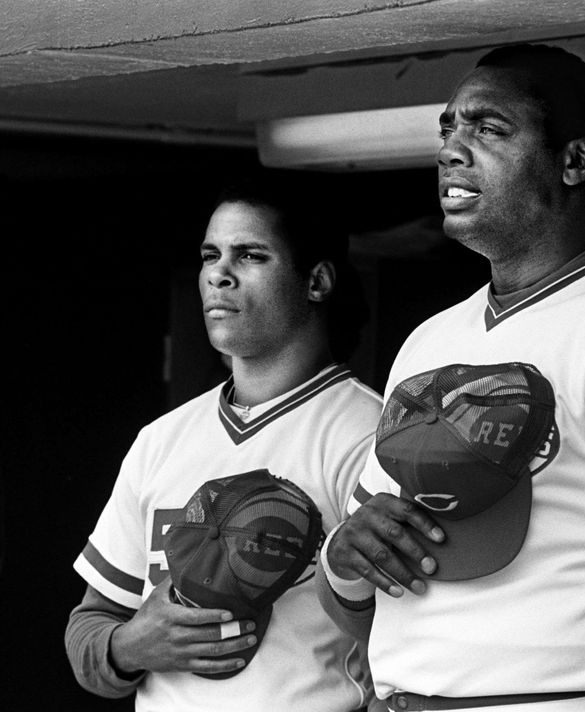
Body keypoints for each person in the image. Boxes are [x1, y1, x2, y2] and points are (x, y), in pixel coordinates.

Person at [317, 44, 585, 712]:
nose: (451, 151)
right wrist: (346, 559)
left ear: (574, 161)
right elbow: (378, 604)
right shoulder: (431, 341)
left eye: (488, 129)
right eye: (448, 129)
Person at [65, 181, 384, 712]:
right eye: (210, 255)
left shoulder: (369, 433)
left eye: (251, 255)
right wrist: (130, 646)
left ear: (317, 281)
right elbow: (89, 632)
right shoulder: (161, 439)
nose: (219, 274)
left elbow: (415, 640)